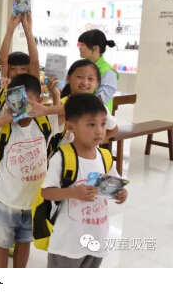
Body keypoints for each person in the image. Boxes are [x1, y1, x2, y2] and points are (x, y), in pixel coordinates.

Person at [0, 74, 60, 268]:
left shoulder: (45, 121)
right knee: (1, 244)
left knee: (25, 241)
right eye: (15, 101)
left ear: (39, 101)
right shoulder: (5, 125)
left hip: (32, 201)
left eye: (26, 102)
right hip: (3, 201)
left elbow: (76, 111)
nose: (20, 107)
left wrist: (53, 100)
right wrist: (9, 116)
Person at [41, 94, 128, 268]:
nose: (99, 131)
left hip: (97, 238)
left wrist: (121, 193)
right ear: (71, 127)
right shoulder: (62, 157)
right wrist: (72, 192)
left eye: (103, 124)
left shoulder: (105, 156)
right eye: (91, 124)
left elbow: (115, 182)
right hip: (68, 244)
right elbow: (46, 192)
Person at [31, 59, 119, 151]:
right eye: (80, 77)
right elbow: (57, 122)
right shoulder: (62, 103)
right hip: (64, 156)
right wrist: (56, 96)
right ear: (68, 79)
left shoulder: (98, 107)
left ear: (97, 84)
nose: (85, 82)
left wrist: (93, 143)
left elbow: (114, 129)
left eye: (91, 79)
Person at [77, 29, 118, 113]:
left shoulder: (108, 72)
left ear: (96, 48)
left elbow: (99, 100)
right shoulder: (81, 66)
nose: (79, 48)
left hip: (96, 117)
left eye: (83, 44)